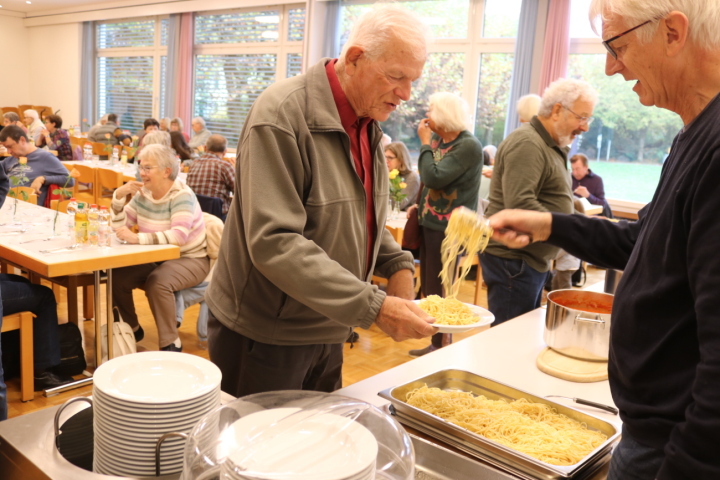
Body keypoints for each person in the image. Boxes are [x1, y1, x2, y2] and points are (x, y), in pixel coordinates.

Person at [488, 1, 720, 477]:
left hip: (674, 444)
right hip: (652, 429)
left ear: (673, 32)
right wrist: (552, 225)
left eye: (617, 46)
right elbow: (644, 243)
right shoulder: (694, 135)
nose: (612, 66)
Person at [205, 4, 436, 398]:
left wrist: (397, 265)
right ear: (355, 59)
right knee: (260, 454)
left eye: (413, 80)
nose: (406, 94)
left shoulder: (368, 126)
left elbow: (360, 218)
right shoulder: (281, 115)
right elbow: (274, 242)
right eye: (396, 76)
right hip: (266, 335)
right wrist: (374, 307)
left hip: (329, 322)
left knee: (315, 451)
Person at [480, 78, 597, 325]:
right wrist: (569, 230)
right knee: (508, 342)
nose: (585, 127)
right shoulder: (528, 143)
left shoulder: (548, 144)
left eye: (588, 119)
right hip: (514, 262)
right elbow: (521, 206)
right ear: (556, 111)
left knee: (518, 336)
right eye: (582, 117)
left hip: (527, 261)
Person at [110, 144, 208, 352]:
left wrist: (137, 239)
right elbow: (119, 226)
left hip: (191, 259)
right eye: (141, 167)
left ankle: (170, 342)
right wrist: (119, 197)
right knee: (116, 276)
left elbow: (178, 237)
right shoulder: (144, 193)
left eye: (147, 168)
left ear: (166, 171)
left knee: (158, 282)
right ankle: (132, 328)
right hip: (157, 257)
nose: (141, 173)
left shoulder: (181, 195)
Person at [407, 92, 483, 358]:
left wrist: (425, 143)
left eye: (430, 110)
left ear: (443, 116)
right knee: (429, 288)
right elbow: (427, 180)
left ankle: (441, 345)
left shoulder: (468, 145)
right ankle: (435, 342)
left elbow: (433, 176)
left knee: (441, 288)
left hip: (450, 230)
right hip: (430, 223)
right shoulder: (440, 140)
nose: (426, 116)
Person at [0, 125, 74, 206]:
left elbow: (70, 180)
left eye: (10, 147)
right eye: (6, 148)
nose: (9, 151)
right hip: (8, 205)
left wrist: (43, 179)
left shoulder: (45, 157)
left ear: (22, 140)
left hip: (29, 207)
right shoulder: (12, 159)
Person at [186, 134, 235, 219]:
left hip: (194, 214)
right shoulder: (225, 166)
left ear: (205, 148)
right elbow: (240, 192)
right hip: (217, 218)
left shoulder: (193, 163)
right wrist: (236, 170)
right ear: (225, 152)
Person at [570, 153, 612, 217]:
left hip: (592, 217)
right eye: (573, 169)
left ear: (586, 167)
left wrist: (588, 195)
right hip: (573, 215)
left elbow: (602, 204)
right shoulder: (569, 178)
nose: (575, 173)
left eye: (578, 169)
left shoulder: (597, 180)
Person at [384, 142, 420, 211]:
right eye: (384, 157)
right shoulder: (384, 175)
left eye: (390, 158)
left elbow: (398, 204)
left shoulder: (412, 177)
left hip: (403, 218)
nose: (386, 161)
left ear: (401, 160)